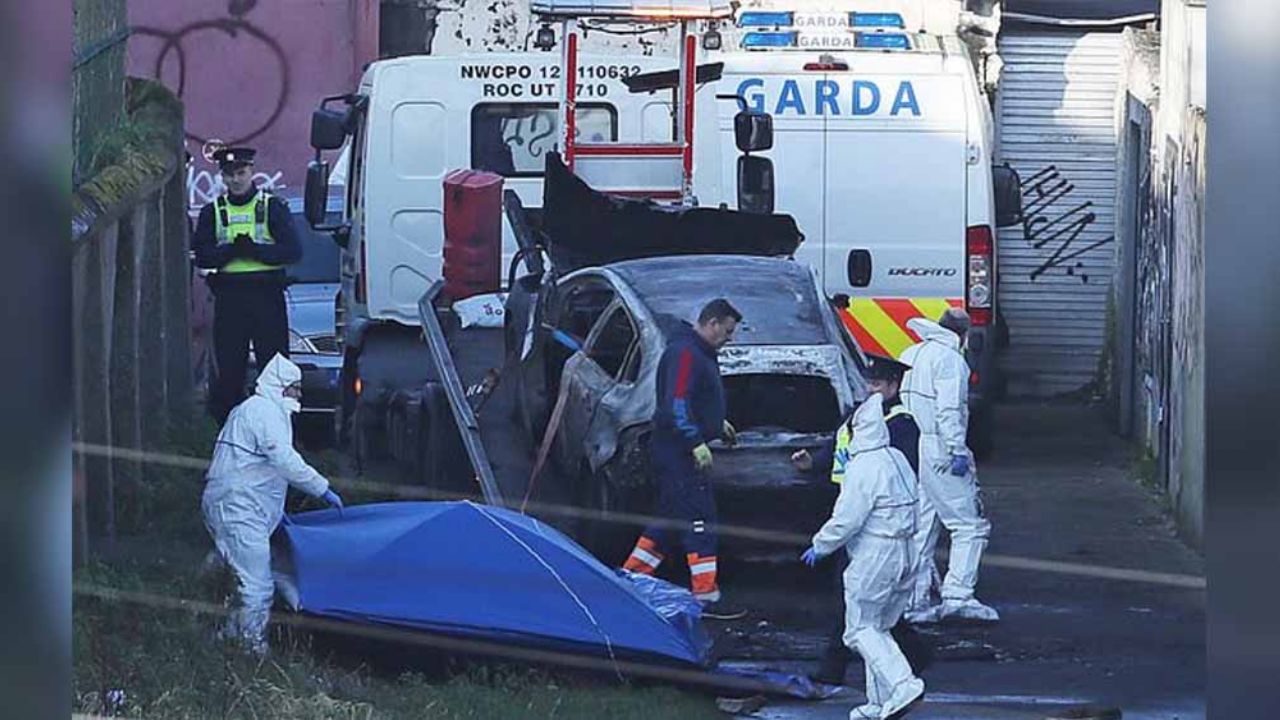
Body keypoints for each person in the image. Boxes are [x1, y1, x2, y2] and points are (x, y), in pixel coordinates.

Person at [793, 354, 932, 686]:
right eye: (868, 383)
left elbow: (890, 479)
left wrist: (823, 543)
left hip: (871, 523)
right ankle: (912, 654)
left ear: (894, 385)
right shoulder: (861, 416)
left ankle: (835, 668)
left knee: (855, 601)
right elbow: (839, 445)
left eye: (877, 384)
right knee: (873, 607)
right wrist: (814, 462)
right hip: (849, 505)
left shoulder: (900, 425)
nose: (870, 389)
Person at [202, 354, 343, 654]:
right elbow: (284, 460)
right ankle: (251, 648)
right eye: (295, 388)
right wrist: (322, 488)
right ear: (280, 386)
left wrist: (274, 512)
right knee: (256, 584)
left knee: (234, 576)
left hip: (235, 505)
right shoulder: (264, 411)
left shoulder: (255, 411)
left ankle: (223, 639)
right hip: (240, 507)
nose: (299, 395)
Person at [622, 299, 743, 620]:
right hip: (678, 452)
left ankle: (631, 578)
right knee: (700, 520)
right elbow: (675, 403)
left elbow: (693, 398)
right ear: (712, 323)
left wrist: (716, 422)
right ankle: (705, 595)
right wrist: (695, 441)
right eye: (727, 331)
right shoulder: (686, 354)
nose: (729, 338)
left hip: (675, 450)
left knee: (668, 519)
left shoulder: (695, 352)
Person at [899, 308, 999, 623]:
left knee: (923, 524)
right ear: (964, 335)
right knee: (970, 525)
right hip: (941, 446)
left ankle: (912, 599)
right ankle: (958, 596)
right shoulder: (951, 360)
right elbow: (949, 409)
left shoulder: (912, 353)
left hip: (915, 445)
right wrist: (957, 449)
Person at [192, 146, 302, 424]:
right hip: (230, 298)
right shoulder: (213, 211)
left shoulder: (272, 207)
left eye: (241, 173)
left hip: (267, 297)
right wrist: (232, 252)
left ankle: (279, 431)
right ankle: (230, 434)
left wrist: (255, 251)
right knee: (229, 374)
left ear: (252, 171)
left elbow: (292, 251)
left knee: (275, 371)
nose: (236, 180)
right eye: (229, 175)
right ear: (222, 177)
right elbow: (202, 254)